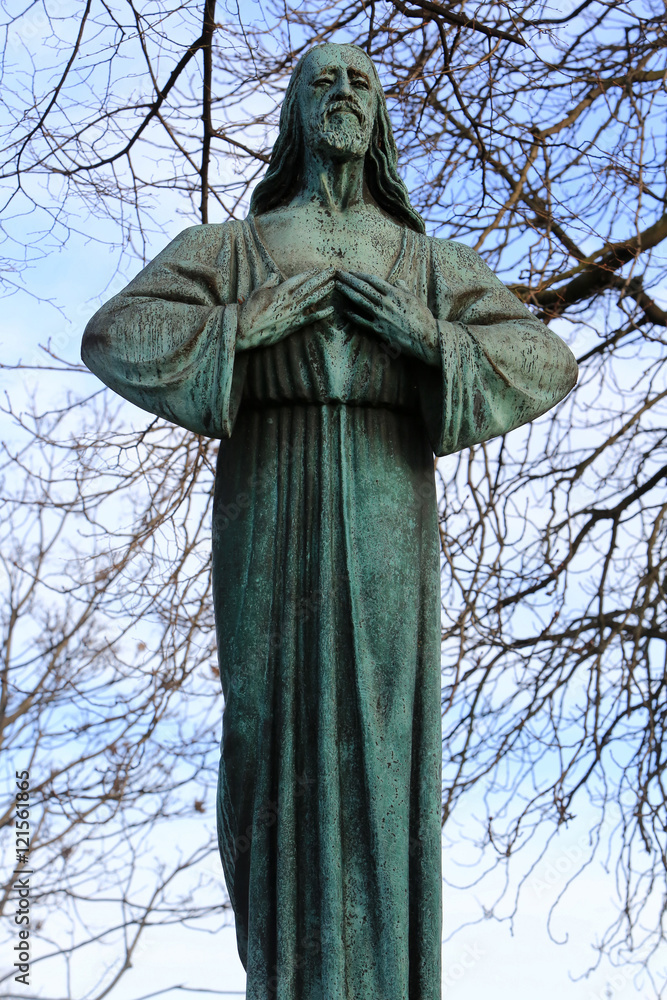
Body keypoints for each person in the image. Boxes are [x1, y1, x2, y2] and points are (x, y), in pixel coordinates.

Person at [82, 42, 577, 1000]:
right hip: (270, 495)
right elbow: (114, 334)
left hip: (386, 495)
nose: (343, 92)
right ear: (296, 115)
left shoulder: (429, 263)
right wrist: (250, 323)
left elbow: (545, 361)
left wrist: (422, 335)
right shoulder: (232, 249)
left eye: (360, 81)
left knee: (381, 743)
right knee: (267, 739)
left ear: (378, 117)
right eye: (323, 80)